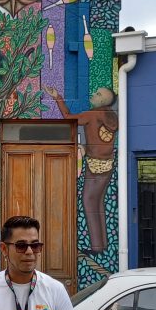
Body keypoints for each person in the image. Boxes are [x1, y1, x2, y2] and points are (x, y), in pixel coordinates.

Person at [45, 85, 118, 253]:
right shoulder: (112, 116)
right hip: (108, 164)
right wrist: (86, 146)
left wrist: (58, 97)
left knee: (88, 201)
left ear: (103, 101)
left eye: (98, 94)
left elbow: (68, 117)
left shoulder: (93, 114)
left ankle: (96, 247)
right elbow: (101, 141)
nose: (93, 95)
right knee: (98, 203)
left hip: (94, 165)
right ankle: (102, 245)